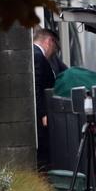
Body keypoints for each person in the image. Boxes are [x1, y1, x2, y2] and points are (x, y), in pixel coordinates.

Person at [33, 28, 63, 171]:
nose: (54, 53)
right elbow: (37, 88)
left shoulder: (36, 54)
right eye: (55, 48)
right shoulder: (38, 56)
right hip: (42, 117)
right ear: (49, 41)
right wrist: (43, 113)